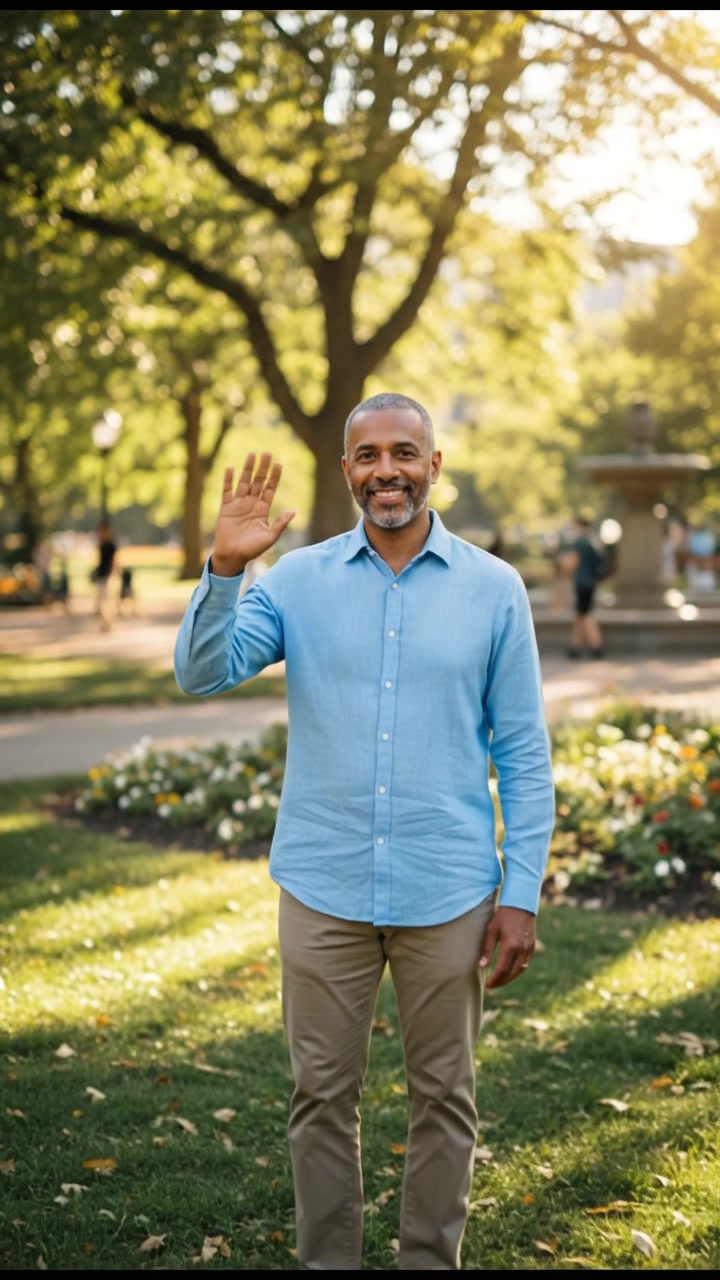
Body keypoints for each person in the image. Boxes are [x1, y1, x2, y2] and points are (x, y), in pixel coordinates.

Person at [174, 392, 555, 1271]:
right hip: (323, 885)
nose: (388, 469)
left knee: (446, 1101)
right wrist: (225, 570)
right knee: (320, 1099)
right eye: (369, 455)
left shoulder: (495, 590)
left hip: (449, 888)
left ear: (434, 465)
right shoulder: (297, 581)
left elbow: (525, 756)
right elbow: (201, 673)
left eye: (405, 453)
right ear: (347, 470)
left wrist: (521, 893)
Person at [565, 512, 607, 660]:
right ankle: (574, 646)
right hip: (590, 582)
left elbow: (572, 563)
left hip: (582, 582)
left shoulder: (580, 543)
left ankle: (597, 646)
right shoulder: (593, 542)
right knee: (580, 614)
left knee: (586, 614)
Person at [92, 521, 117, 631]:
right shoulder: (101, 546)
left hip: (108, 576)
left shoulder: (111, 546)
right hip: (101, 575)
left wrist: (113, 574)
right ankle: (105, 622)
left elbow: (114, 561)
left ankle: (107, 623)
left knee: (106, 600)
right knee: (101, 601)